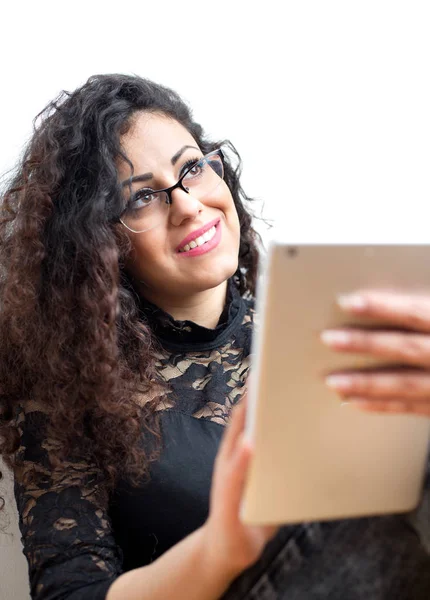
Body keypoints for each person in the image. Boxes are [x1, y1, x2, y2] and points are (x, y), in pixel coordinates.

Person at [0, 73, 429, 600]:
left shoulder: (318, 336)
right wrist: (218, 550)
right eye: (141, 199)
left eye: (193, 169)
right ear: (97, 244)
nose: (186, 205)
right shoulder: (66, 396)